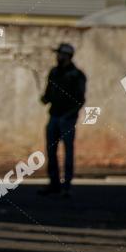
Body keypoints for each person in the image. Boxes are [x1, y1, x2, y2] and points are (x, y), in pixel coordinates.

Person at [38, 43, 86, 197]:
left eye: (60, 54)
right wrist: (45, 98)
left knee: (68, 152)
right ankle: (54, 183)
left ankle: (67, 186)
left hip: (67, 119)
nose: (57, 56)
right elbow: (48, 94)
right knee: (51, 152)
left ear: (67, 56)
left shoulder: (77, 75)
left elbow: (80, 100)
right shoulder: (54, 73)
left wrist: (69, 115)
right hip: (54, 116)